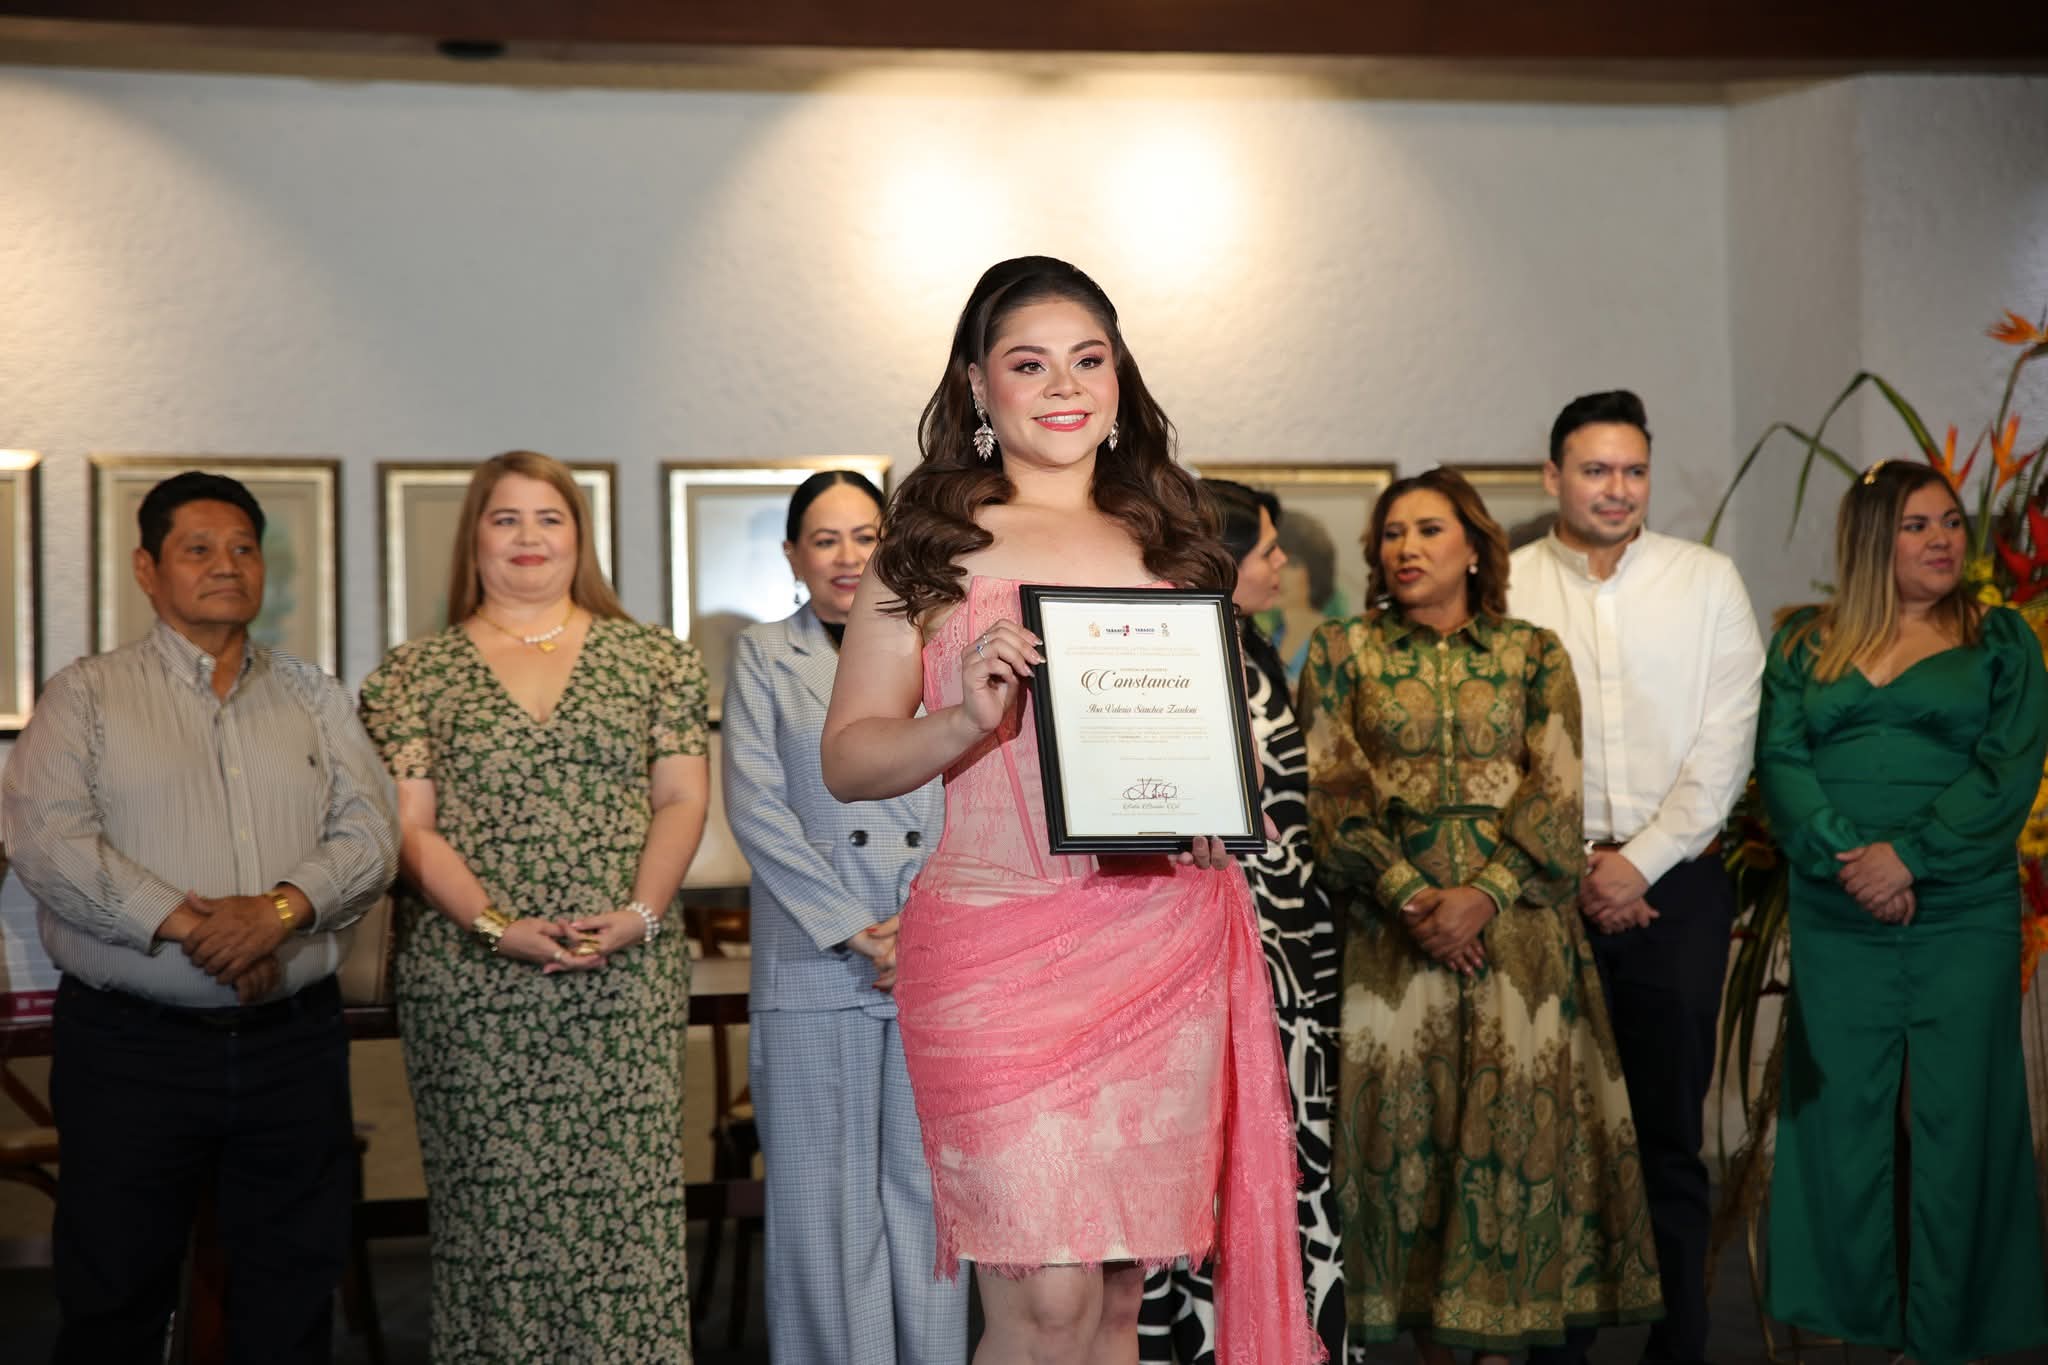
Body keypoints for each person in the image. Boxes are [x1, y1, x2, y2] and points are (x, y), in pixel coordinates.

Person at [819, 256, 1323, 1364]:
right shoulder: (925, 549)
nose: (1064, 386)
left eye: (1088, 360)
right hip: (992, 948)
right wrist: (963, 719)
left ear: (1119, 377)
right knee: (1043, 1301)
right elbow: (849, 758)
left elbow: (1207, 741)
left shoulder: (1170, 543)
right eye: (1029, 363)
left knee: (1113, 1301)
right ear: (976, 386)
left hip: (1160, 939)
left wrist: (1212, 791)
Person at [1, 471, 399, 1364]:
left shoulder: (314, 695)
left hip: (293, 1046)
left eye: (244, 548)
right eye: (199, 548)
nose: (227, 564)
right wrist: (203, 929)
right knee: (114, 1297)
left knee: (290, 1298)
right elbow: (49, 843)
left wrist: (280, 911)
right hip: (131, 1051)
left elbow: (372, 835)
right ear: (147, 569)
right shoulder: (86, 695)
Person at [1301, 467, 1661, 1362]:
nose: (1407, 548)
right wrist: (1415, 897)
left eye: (1429, 530)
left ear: (1474, 546)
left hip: (1519, 943)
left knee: (1512, 1148)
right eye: (1392, 533)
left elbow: (1556, 794)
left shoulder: (1533, 653)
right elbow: (1330, 791)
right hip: (1393, 942)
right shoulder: (1343, 649)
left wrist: (1481, 897)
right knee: (1405, 1151)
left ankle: (1501, 1353)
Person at [359, 450, 710, 1363]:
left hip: (624, 975)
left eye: (549, 517)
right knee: (493, 1218)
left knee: (626, 1217)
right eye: (506, 517)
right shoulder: (412, 674)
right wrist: (494, 926)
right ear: (473, 535)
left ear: (579, 535)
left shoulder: (656, 659)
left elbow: (682, 799)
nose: (529, 537)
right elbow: (410, 827)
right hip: (474, 984)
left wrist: (641, 913)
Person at [1756, 459, 2048, 1362]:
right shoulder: (1804, 642)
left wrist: (1908, 855)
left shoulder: (2001, 641)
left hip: (1961, 910)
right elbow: (1781, 761)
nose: (1943, 540)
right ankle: (1854, 1330)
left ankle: (1943, 1335)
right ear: (1873, 538)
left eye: (1951, 522)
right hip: (1841, 909)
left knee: (1951, 1115)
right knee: (1846, 1116)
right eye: (1918, 525)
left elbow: (2009, 771)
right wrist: (1852, 858)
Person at [1507, 389, 1764, 1365]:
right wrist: (1571, 866)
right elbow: (1495, 749)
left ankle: (1678, 1345)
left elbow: (1725, 743)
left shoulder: (1707, 582)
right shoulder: (1506, 587)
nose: (1616, 489)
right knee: (1549, 1134)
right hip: (1541, 888)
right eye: (1594, 469)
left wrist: (1637, 863)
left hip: (1677, 886)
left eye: (1633, 470)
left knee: (1668, 1136)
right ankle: (1555, 1349)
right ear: (1552, 477)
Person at [721, 469, 965, 1365]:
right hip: (813, 958)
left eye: (866, 535)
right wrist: (852, 925)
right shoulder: (762, 654)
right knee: (826, 1209)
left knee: (927, 1198)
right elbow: (755, 807)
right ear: (793, 556)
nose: (848, 556)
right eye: (825, 540)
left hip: (930, 953)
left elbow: (968, 788)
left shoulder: (940, 644)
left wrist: (920, 923)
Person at [1140, 479, 1344, 1363]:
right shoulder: (1179, 654)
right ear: (1217, 559)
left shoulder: (1250, 647)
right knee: (1213, 1176)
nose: (1280, 562)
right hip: (1222, 950)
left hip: (1285, 951)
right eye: (1265, 548)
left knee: (1287, 1173)